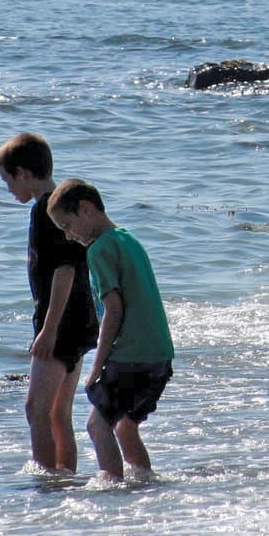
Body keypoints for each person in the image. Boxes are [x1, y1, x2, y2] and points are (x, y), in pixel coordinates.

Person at [46, 178, 174, 481]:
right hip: (160, 356)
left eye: (67, 226)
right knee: (125, 425)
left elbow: (113, 311)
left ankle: (113, 492)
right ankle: (145, 482)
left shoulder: (99, 249)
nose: (68, 236)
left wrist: (97, 366)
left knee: (96, 425)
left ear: (86, 209)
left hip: (131, 357)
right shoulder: (128, 239)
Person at [0, 132, 99, 473]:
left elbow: (65, 270)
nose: (9, 189)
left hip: (61, 322)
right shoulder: (61, 205)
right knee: (58, 412)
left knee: (36, 409)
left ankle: (47, 480)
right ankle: (64, 479)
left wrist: (49, 329)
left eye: (8, 181)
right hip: (81, 318)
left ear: (23, 173)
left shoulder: (46, 211)